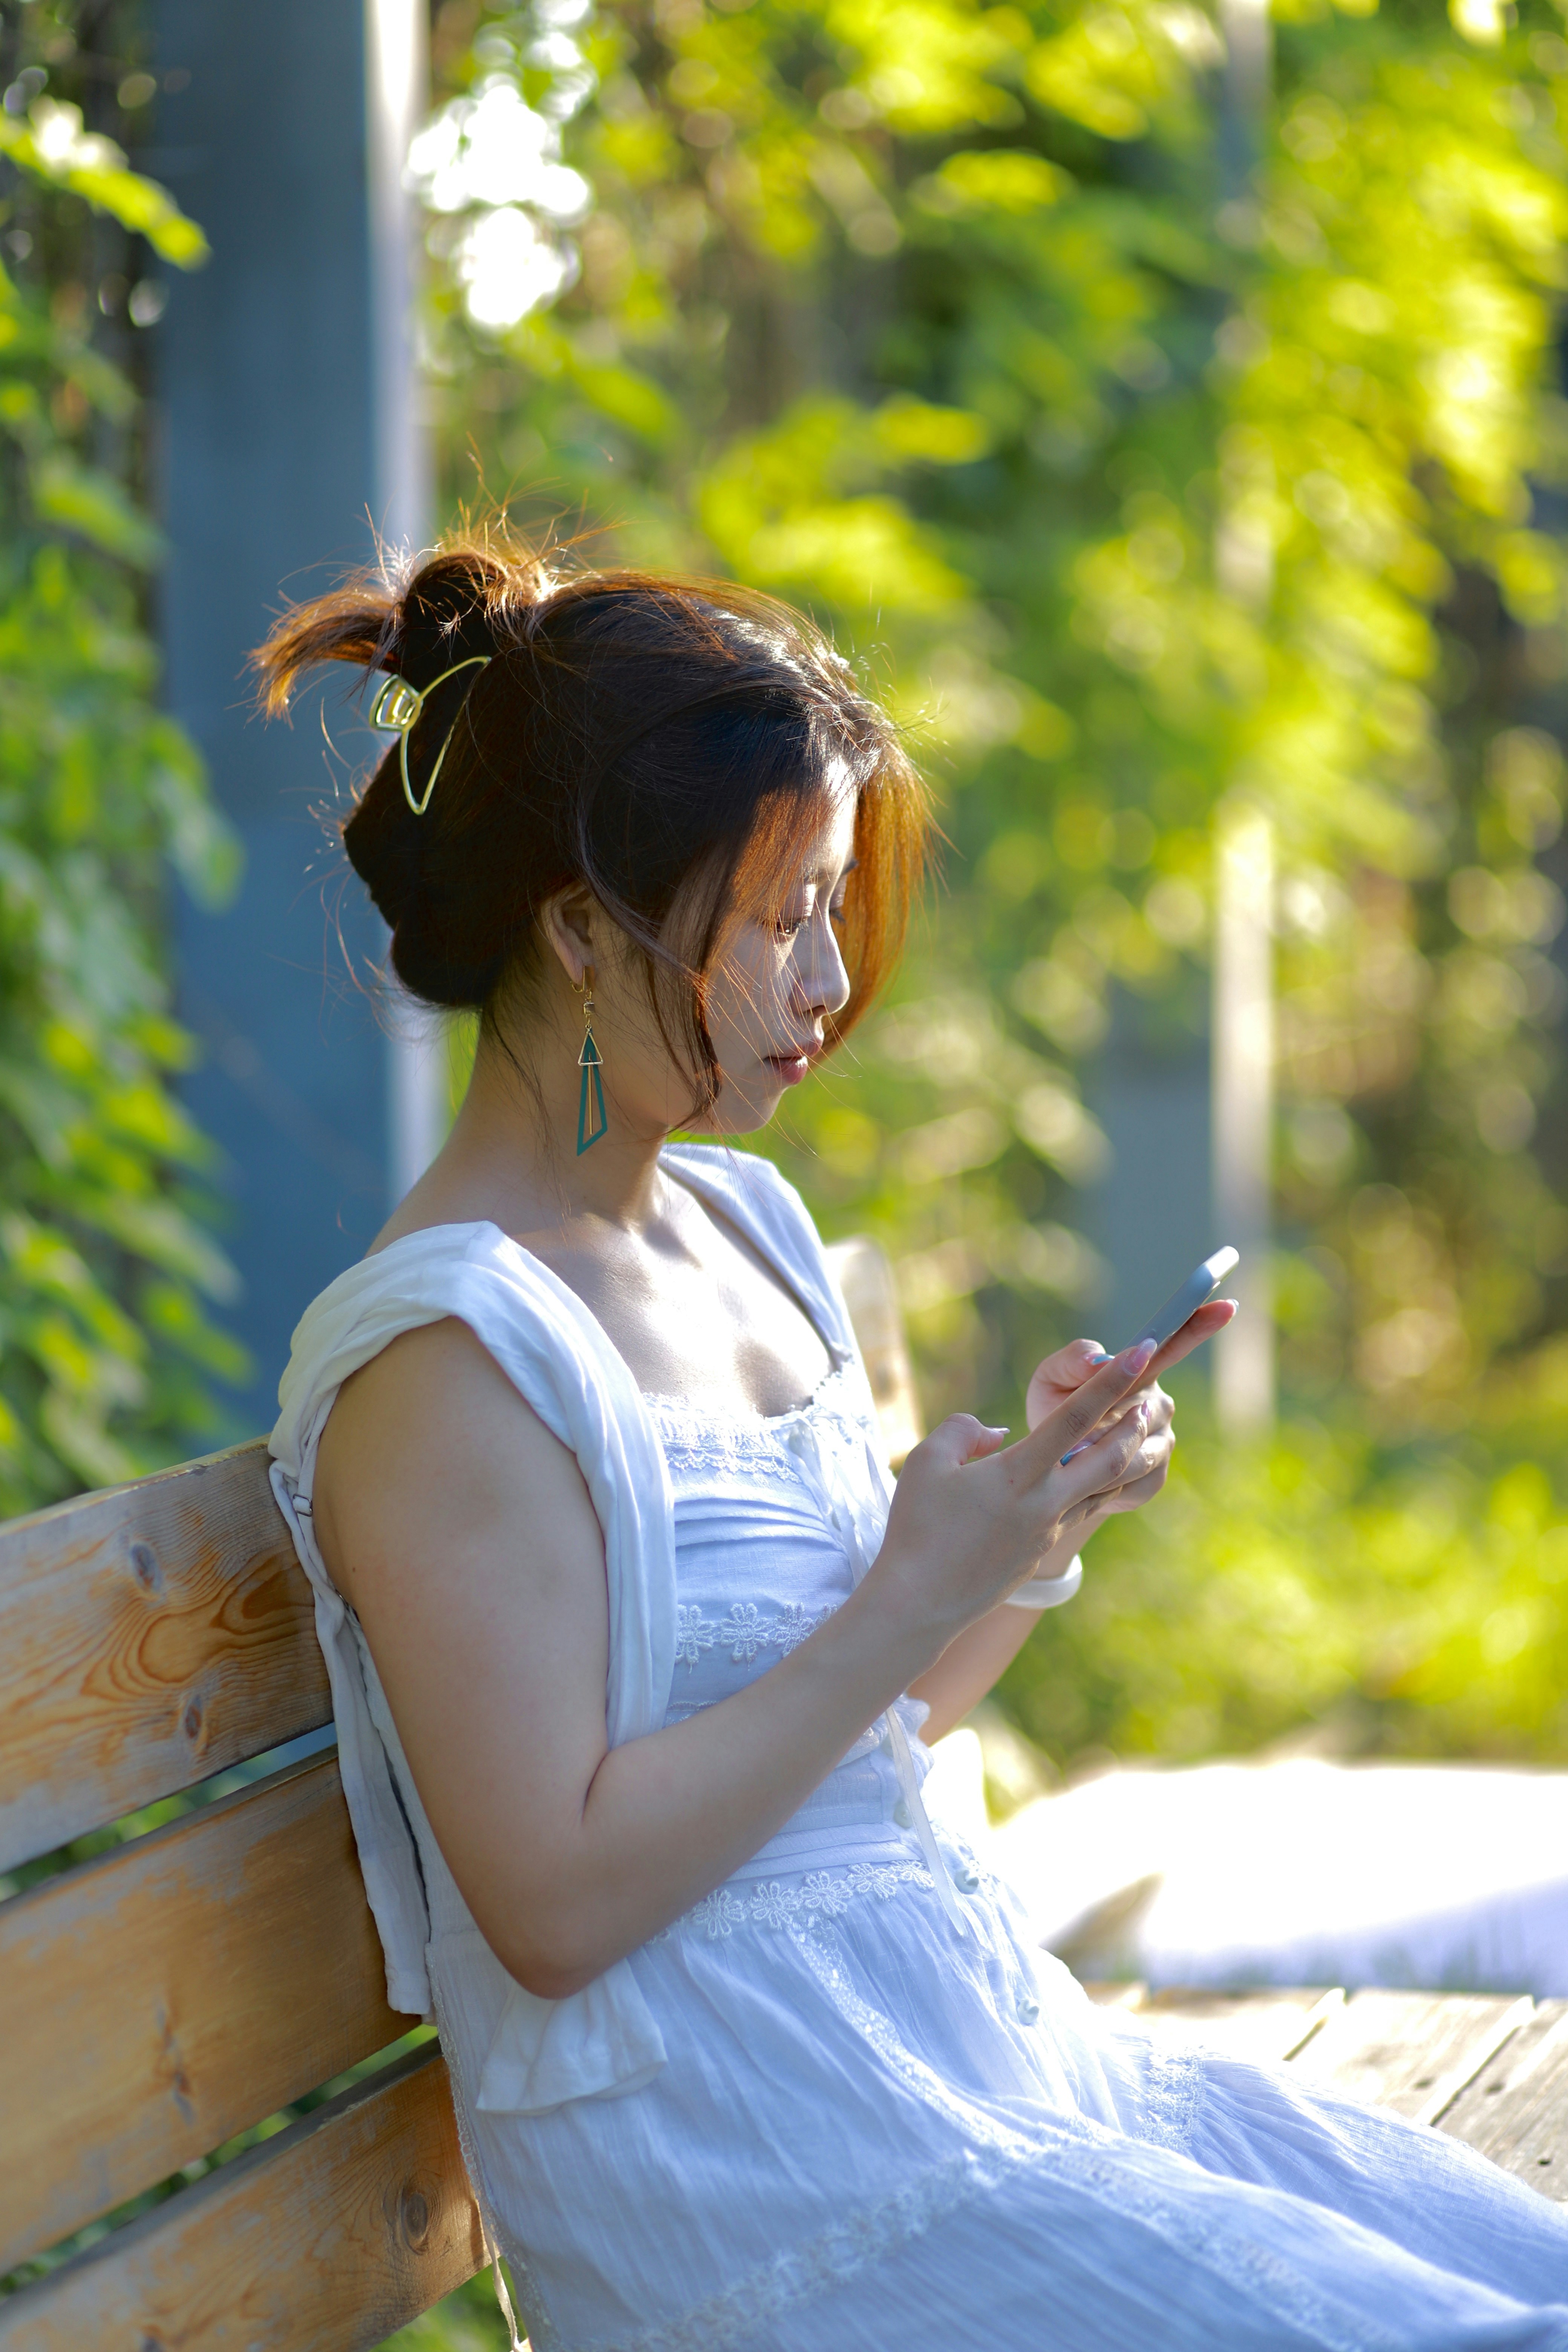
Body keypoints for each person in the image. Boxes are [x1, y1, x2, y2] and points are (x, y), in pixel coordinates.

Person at [260, 535, 1568, 2352]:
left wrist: (1022, 1539)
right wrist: (902, 1595)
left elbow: (845, 1751)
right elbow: (553, 1905)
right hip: (748, 2169)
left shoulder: (742, 1231)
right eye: (778, 912)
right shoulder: (445, 1355)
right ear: (578, 931)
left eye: (828, 909)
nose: (825, 986)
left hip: (975, 2054)